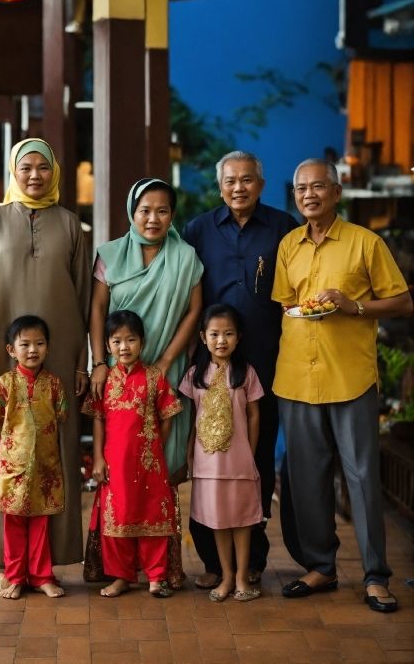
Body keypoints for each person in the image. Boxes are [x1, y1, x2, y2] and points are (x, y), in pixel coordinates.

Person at [272, 158, 413, 612]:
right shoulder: (288, 245)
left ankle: (376, 576)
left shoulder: (365, 243)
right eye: (300, 189)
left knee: (362, 478)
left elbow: (403, 302)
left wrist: (354, 307)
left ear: (336, 193)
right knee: (306, 479)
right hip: (296, 376)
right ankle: (321, 567)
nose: (308, 195)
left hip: (349, 377)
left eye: (318, 187)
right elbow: (287, 305)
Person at [0, 139, 90, 590]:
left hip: (62, 356)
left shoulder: (72, 226)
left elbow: (83, 299)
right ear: (14, 171)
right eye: (26, 167)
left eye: (43, 168)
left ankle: (47, 562)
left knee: (58, 452)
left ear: (55, 172)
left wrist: (82, 362)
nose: (35, 175)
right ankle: (2, 561)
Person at [182, 150, 299, 587]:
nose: (238, 187)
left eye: (247, 180)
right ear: (220, 186)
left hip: (265, 362)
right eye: (230, 180)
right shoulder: (199, 229)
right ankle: (214, 563)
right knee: (208, 458)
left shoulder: (283, 228)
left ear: (261, 185)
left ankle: (254, 558)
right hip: (210, 367)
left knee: (256, 458)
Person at [89, 178, 203, 588]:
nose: (153, 219)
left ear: (173, 215)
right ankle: (124, 570)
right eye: (145, 210)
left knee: (161, 471)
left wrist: (166, 361)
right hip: (118, 372)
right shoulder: (109, 255)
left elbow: (194, 311)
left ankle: (160, 568)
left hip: (163, 374)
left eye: (162, 211)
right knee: (120, 478)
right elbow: (98, 309)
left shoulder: (186, 257)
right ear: (131, 212)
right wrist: (100, 361)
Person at [83, 310, 183, 597]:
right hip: (114, 463)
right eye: (116, 341)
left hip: (150, 464)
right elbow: (98, 419)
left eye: (131, 340)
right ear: (106, 345)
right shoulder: (103, 381)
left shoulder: (154, 378)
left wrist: (154, 446)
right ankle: (121, 577)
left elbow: (168, 414)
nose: (124, 347)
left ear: (142, 342)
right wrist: (99, 458)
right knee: (117, 520)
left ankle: (156, 577)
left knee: (152, 517)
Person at [181, 304, 264, 602]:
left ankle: (243, 576)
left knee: (241, 519)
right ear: (203, 337)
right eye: (215, 334)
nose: (221, 340)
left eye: (228, 334)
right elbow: (192, 417)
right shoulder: (195, 375)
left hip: (239, 461)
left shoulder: (246, 372)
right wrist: (190, 454)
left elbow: (254, 415)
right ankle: (227, 576)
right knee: (218, 520)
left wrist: (250, 451)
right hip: (208, 463)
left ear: (238, 337)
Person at [0, 316, 67, 600]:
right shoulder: (4, 384)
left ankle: (42, 576)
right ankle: (16, 577)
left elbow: (61, 418)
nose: (32, 349)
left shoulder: (55, 384)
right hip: (11, 467)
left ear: (48, 347)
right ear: (12, 350)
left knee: (41, 523)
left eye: (39, 343)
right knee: (13, 524)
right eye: (25, 344)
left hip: (46, 467)